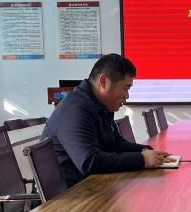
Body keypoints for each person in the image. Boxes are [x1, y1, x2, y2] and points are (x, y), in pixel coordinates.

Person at [41, 54, 173, 187]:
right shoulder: (75, 108)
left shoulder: (99, 105)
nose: (127, 96)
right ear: (103, 81)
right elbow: (89, 162)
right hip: (70, 195)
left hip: (92, 185)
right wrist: (142, 159)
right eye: (125, 88)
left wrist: (145, 151)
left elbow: (115, 144)